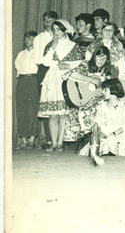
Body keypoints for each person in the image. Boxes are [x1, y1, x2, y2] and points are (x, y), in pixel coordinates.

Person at [39, 20, 85, 152]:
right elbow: (45, 62)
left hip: (66, 78)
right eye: (54, 30)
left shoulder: (73, 45)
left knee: (63, 114)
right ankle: (53, 143)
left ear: (65, 30)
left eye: (58, 29)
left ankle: (60, 142)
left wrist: (67, 66)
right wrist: (53, 46)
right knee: (53, 114)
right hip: (52, 79)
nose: (56, 32)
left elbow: (79, 62)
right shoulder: (50, 45)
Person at [64, 45, 119, 143]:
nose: (101, 60)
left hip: (99, 101)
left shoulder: (107, 72)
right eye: (99, 56)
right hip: (83, 100)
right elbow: (72, 74)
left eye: (104, 58)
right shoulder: (86, 65)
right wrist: (91, 79)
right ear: (94, 56)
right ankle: (88, 135)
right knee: (84, 110)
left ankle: (95, 137)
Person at [89, 79, 125, 166]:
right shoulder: (101, 105)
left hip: (118, 132)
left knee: (113, 141)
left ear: (114, 89)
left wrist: (114, 133)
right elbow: (97, 121)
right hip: (103, 131)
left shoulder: (123, 105)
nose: (103, 92)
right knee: (97, 143)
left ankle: (113, 155)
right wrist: (99, 132)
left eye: (105, 90)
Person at [32, 11, 58, 149]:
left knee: (58, 103)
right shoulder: (39, 38)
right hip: (44, 70)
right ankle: (49, 139)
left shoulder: (60, 35)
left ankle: (60, 139)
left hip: (58, 70)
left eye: (51, 20)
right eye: (45, 20)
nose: (48, 23)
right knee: (47, 104)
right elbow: (38, 59)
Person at [14, 31, 39, 149]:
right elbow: (18, 68)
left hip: (33, 81)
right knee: (21, 109)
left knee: (32, 110)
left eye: (30, 38)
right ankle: (23, 139)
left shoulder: (38, 54)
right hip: (22, 81)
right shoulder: (20, 54)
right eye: (26, 38)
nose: (27, 40)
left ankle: (32, 139)